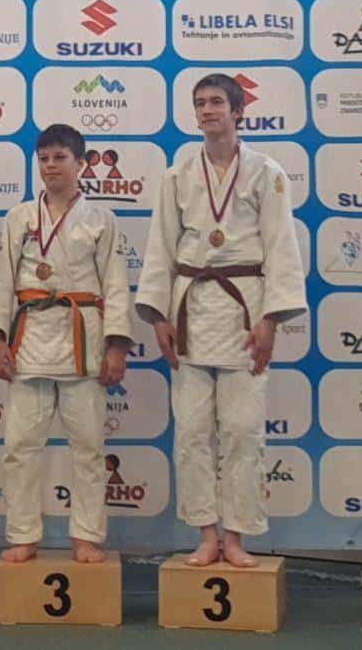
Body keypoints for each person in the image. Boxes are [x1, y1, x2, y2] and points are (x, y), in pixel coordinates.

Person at [135, 73, 306, 567]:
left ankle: (236, 536)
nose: (207, 110)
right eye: (200, 103)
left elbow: (280, 246)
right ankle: (206, 534)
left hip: (244, 309)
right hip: (190, 310)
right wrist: (159, 316)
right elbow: (161, 247)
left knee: (243, 431)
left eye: (216, 102)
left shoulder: (267, 172)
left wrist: (270, 319)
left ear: (237, 111)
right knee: (191, 433)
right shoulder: (177, 175)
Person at [0, 123, 132, 564]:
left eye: (60, 158)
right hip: (29, 343)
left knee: (88, 448)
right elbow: (2, 280)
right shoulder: (19, 217)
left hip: (82, 341)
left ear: (80, 163)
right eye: (43, 158)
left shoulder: (102, 219)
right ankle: (23, 534)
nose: (50, 166)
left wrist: (117, 346)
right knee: (20, 447)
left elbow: (116, 285)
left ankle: (86, 535)